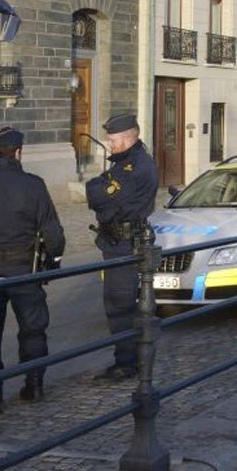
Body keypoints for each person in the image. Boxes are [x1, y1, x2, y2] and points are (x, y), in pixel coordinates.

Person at [0, 127, 66, 412]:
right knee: (33, 328)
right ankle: (33, 384)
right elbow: (53, 234)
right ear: (19, 152)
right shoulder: (33, 185)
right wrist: (54, 255)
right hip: (24, 269)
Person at [85, 113, 158, 382]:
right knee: (124, 303)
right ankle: (132, 358)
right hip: (118, 241)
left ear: (128, 138)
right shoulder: (127, 162)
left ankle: (127, 363)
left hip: (123, 245)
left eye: (112, 139)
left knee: (120, 305)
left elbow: (94, 194)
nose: (108, 144)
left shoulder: (133, 167)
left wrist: (100, 186)